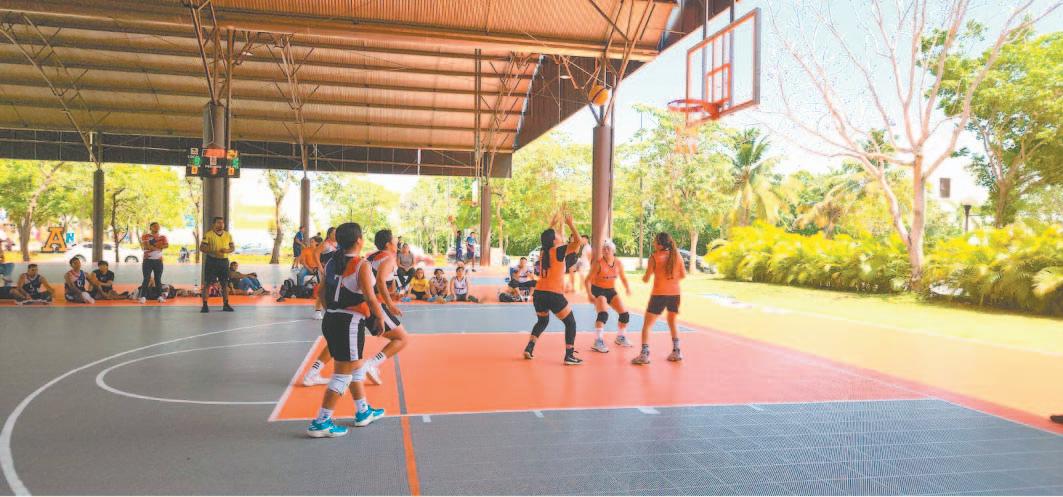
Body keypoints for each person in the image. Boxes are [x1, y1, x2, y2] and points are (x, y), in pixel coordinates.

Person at [307, 222, 386, 437]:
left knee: (356, 365)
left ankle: (363, 411)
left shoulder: (332, 262)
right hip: (348, 323)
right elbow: (370, 297)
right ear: (359, 240)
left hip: (331, 319)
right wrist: (380, 318)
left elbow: (321, 292)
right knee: (342, 375)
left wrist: (332, 310)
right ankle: (321, 422)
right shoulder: (361, 265)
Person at [523, 209, 583, 365]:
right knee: (570, 323)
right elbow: (578, 242)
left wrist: (552, 224)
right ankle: (569, 355)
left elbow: (546, 238)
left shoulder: (544, 251)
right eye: (557, 235)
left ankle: (529, 347)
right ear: (555, 240)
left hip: (539, 294)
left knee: (542, 321)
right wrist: (570, 224)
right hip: (553, 294)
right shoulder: (558, 251)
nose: (559, 235)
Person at [362, 230, 411, 381]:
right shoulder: (388, 258)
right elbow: (380, 281)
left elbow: (372, 283)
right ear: (388, 244)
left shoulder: (372, 257)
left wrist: (390, 295)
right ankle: (371, 364)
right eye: (395, 240)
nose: (397, 242)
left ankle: (314, 371)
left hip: (362, 303)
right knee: (402, 339)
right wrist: (390, 304)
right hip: (373, 304)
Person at [632, 232, 686, 365]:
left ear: (660, 244)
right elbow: (683, 275)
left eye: (655, 241)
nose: (654, 243)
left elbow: (646, 279)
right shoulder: (677, 255)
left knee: (647, 326)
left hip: (659, 295)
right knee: (672, 322)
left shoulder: (654, 257)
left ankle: (644, 355)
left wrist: (644, 277)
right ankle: (677, 351)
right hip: (675, 294)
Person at [585, 239, 633, 353]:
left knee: (625, 315)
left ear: (613, 251)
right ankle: (598, 342)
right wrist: (589, 295)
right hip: (598, 290)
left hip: (610, 290)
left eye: (608, 248)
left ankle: (620, 337)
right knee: (603, 314)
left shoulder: (618, 263)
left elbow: (623, 277)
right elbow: (587, 280)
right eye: (604, 248)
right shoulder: (598, 264)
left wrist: (627, 288)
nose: (605, 250)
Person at [200, 216, 234, 313]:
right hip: (212, 261)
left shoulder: (228, 235)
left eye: (222, 223)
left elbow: (232, 248)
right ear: (214, 224)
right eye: (219, 222)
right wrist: (213, 251)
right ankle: (205, 305)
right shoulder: (208, 235)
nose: (221, 224)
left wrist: (227, 250)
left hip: (224, 261)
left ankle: (226, 304)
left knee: (225, 283)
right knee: (207, 283)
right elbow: (202, 248)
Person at [140, 222, 168, 303]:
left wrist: (153, 246)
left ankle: (159, 296)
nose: (157, 227)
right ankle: (143, 297)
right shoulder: (146, 236)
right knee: (146, 278)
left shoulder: (163, 237)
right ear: (150, 228)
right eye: (154, 226)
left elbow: (166, 245)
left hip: (158, 261)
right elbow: (146, 246)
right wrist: (159, 247)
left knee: (158, 279)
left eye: (158, 226)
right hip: (147, 261)